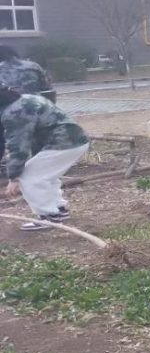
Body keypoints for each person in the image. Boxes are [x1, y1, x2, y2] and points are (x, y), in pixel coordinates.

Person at [0, 87, 89, 231]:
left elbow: (18, 146)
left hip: (62, 143)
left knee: (28, 177)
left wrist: (13, 177)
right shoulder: (25, 98)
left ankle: (49, 217)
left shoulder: (13, 113)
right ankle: (59, 209)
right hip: (74, 139)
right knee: (45, 176)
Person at [0, 46, 53, 170]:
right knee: (37, 136)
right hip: (35, 107)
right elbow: (46, 87)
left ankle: (15, 168)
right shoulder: (33, 66)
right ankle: (39, 166)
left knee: (8, 138)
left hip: (8, 110)